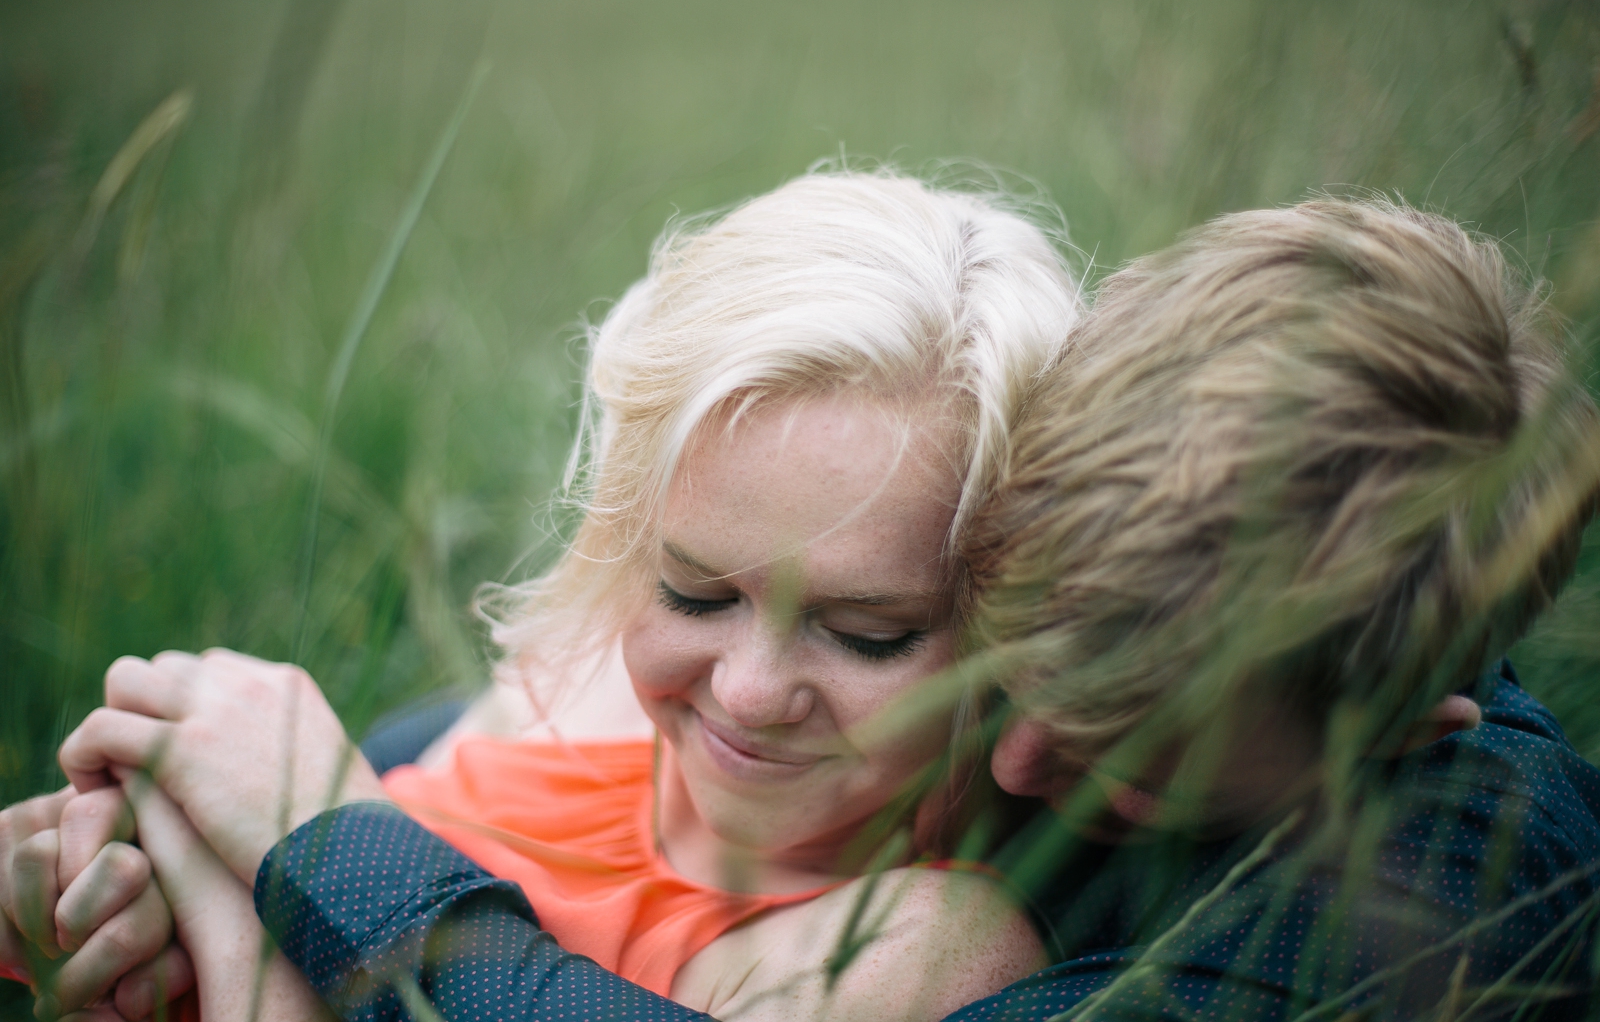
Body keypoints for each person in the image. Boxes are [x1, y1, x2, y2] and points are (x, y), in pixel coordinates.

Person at [11, 195, 1600, 1022]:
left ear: (1397, 723)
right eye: (1010, 642)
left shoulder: (1446, 894)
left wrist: (305, 858)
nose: (1022, 754)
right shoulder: (602, 701)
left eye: (876, 628)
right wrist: (154, 869)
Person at [3, 168, 1084, 1021]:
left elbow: (301, 872)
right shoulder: (582, 682)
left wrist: (283, 850)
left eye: (866, 634)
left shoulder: (923, 948)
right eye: (693, 592)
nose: (748, 691)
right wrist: (99, 886)